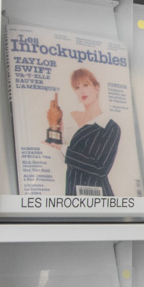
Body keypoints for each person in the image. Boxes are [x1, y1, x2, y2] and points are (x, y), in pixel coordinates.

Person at [53, 68, 120, 196]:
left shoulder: (110, 126)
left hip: (99, 196)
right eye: (77, 87)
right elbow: (65, 160)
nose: (81, 91)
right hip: (72, 190)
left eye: (85, 85)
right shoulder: (71, 121)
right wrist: (58, 136)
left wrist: (61, 147)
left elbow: (101, 168)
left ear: (97, 87)